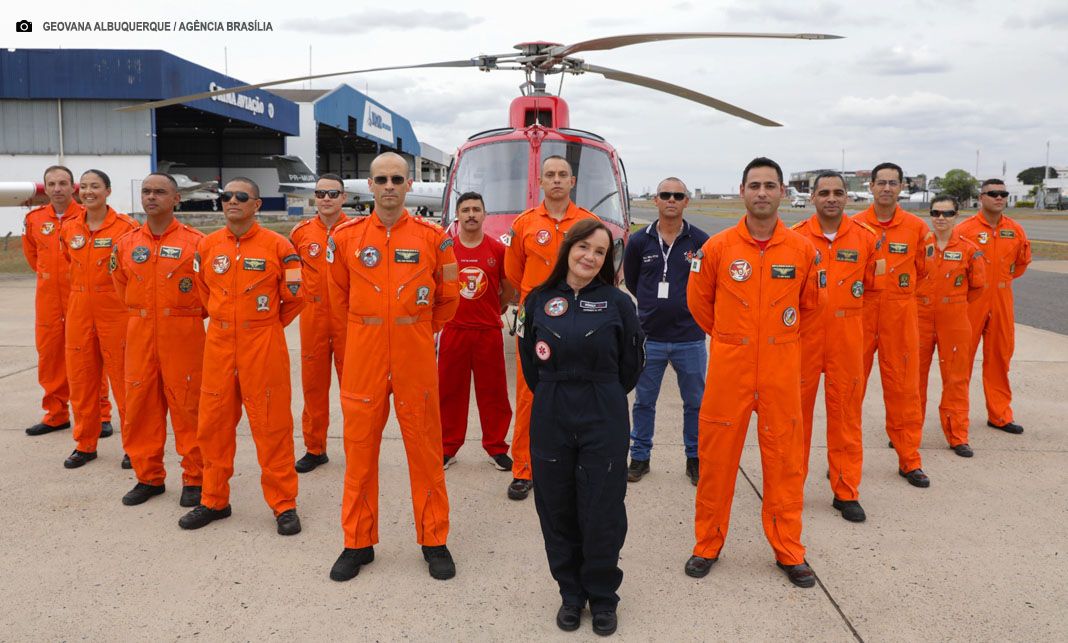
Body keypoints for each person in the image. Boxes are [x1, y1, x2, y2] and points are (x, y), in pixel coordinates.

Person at [684, 157, 823, 588]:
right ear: (742, 191)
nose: (762, 192)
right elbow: (698, 304)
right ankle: (707, 544)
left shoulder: (803, 251)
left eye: (770, 185)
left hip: (781, 370)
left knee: (784, 462)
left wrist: (774, 344)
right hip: (730, 368)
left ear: (783, 192)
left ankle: (789, 550)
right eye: (754, 185)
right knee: (716, 461)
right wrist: (731, 338)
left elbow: (811, 310)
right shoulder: (717, 248)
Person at [327, 152, 460, 582]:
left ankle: (434, 539)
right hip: (364, 356)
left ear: (408, 185)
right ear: (370, 185)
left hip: (413, 355)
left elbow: (449, 297)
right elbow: (338, 298)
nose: (388, 186)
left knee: (424, 450)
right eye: (381, 179)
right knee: (359, 452)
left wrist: (418, 331)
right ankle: (357, 542)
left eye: (396, 179)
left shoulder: (433, 237)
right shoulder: (346, 238)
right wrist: (368, 333)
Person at [518, 218, 644, 636]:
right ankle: (571, 594)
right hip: (551, 410)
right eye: (583, 247)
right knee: (556, 508)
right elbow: (530, 365)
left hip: (602, 413)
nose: (590, 256)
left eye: (600, 252)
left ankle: (603, 597)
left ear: (607, 260)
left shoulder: (618, 303)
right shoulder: (537, 300)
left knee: (602, 510)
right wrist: (558, 390)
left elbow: (631, 367)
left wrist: (598, 391)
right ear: (568, 248)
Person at [180, 178, 305, 536]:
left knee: (271, 424)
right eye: (226, 197)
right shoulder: (207, 245)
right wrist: (227, 322)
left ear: (257, 204)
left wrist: (262, 326)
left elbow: (295, 295)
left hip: (263, 342)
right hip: (218, 342)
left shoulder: (279, 247)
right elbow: (203, 291)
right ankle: (214, 500)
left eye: (240, 197)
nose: (231, 202)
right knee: (213, 424)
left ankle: (284, 504)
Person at [503, 155, 598, 500]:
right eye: (550, 175)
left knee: (579, 390)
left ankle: (576, 466)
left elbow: (599, 267)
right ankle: (523, 469)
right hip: (536, 318)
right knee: (530, 393)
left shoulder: (588, 223)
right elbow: (513, 272)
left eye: (562, 175)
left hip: (579, 317)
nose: (556, 180)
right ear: (540, 183)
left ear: (572, 182)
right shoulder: (524, 223)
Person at [111, 173, 206, 506]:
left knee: (188, 406)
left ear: (176, 199)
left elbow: (208, 293)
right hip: (139, 332)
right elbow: (121, 287)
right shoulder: (125, 243)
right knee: (140, 406)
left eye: (160, 192)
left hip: (182, 333)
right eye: (146, 191)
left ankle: (195, 477)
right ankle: (148, 477)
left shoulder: (196, 243)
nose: (151, 197)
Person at [792, 171, 881, 522]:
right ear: (812, 197)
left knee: (846, 416)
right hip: (804, 341)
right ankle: (789, 486)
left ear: (848, 197)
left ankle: (845, 490)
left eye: (838, 192)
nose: (831, 198)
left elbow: (874, 287)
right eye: (824, 192)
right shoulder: (795, 239)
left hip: (847, 342)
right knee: (795, 419)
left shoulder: (866, 238)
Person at [621, 177, 708, 485]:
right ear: (655, 200)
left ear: (686, 201)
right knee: (644, 401)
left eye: (678, 195)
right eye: (665, 195)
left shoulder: (700, 241)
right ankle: (640, 457)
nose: (671, 199)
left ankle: (695, 457)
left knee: (696, 403)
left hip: (690, 338)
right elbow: (632, 281)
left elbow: (708, 285)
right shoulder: (639, 241)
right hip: (650, 338)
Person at [853, 162, 934, 488]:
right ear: (870, 187)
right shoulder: (854, 225)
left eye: (893, 183)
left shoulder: (916, 228)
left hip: (900, 316)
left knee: (904, 390)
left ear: (901, 188)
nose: (886, 188)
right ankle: (843, 459)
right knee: (849, 390)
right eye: (881, 182)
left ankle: (909, 460)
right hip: (860, 313)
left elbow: (924, 269)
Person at [22, 166, 114, 438]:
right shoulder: (35, 219)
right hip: (48, 298)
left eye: (63, 183)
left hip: (81, 297)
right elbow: (32, 257)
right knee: (50, 356)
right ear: (46, 188)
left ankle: (102, 414)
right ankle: (56, 413)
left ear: (73, 187)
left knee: (90, 357)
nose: (57, 189)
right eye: (52, 184)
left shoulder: (87, 218)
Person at [58, 169, 138, 469]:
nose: (88, 192)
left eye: (96, 186)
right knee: (81, 380)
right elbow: (69, 261)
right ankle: (85, 443)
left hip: (115, 310)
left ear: (108, 191)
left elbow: (132, 271)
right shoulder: (70, 227)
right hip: (79, 309)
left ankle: (134, 446)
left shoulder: (126, 228)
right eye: (85, 187)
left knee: (124, 381)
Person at [438, 191, 515, 471]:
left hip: (487, 332)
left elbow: (508, 290)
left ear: (484, 215)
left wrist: (496, 307)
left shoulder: (497, 250)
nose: (471, 214)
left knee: (493, 393)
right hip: (454, 331)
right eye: (466, 209)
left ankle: (496, 447)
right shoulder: (447, 249)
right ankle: (447, 447)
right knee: (449, 393)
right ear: (457, 215)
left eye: (476, 209)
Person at [957, 179, 1031, 434]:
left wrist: (999, 281)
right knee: (961, 360)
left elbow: (1021, 263)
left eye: (1003, 194)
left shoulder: (1015, 230)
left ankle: (1000, 415)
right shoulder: (964, 230)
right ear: (981, 197)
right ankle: (957, 418)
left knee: (1000, 358)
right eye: (993, 194)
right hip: (972, 301)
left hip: (1002, 299)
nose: (999, 198)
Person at [917, 195, 986, 457]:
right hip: (920, 316)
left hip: (955, 319)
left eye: (947, 213)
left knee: (957, 378)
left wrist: (952, 304)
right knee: (913, 379)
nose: (941, 218)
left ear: (957, 215)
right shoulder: (919, 246)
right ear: (930, 215)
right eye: (936, 213)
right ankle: (908, 431)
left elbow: (977, 287)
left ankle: (957, 435)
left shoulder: (969, 249)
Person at [289, 174, 350, 473]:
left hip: (348, 319)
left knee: (353, 387)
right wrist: (292, 298)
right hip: (312, 317)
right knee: (313, 385)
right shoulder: (300, 232)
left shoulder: (356, 232)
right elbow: (290, 272)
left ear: (344, 197)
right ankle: (315, 448)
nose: (326, 198)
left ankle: (357, 445)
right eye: (321, 193)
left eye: (332, 193)